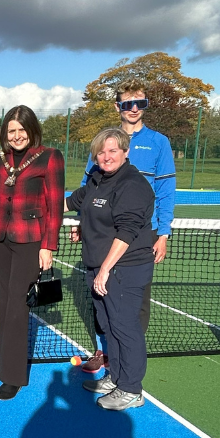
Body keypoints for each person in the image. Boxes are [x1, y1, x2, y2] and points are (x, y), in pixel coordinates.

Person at [79, 79, 176, 373]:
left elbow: (166, 190)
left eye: (140, 103)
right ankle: (105, 351)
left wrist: (163, 232)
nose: (134, 109)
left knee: (135, 302)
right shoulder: (105, 142)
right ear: (117, 106)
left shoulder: (159, 142)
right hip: (102, 231)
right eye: (128, 104)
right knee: (100, 294)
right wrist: (81, 220)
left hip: (140, 234)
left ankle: (128, 359)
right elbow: (88, 186)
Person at [0, 105, 64, 400]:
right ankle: (6, 365)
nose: (16, 135)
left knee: (16, 308)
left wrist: (48, 246)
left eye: (21, 129)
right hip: (0, 239)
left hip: (30, 241)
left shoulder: (50, 157)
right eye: (11, 130)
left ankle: (13, 376)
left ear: (31, 129)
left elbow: (54, 206)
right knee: (3, 303)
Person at [66, 128, 154, 410]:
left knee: (125, 328)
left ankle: (131, 389)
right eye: (101, 152)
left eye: (113, 150)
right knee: (108, 326)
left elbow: (127, 231)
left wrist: (105, 269)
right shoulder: (97, 178)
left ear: (125, 151)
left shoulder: (133, 185)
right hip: (98, 266)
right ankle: (115, 377)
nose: (106, 156)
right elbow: (73, 202)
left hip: (124, 269)